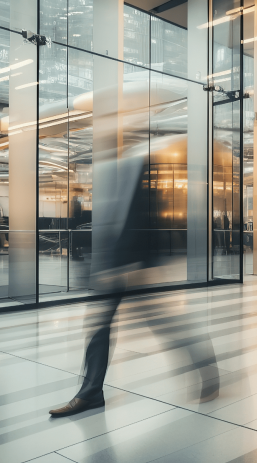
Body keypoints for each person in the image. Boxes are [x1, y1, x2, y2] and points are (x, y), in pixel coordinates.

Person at [49, 145, 219, 418]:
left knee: (164, 323)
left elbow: (143, 224)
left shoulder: (140, 174)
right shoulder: (113, 178)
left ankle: (206, 367)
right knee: (98, 328)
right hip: (112, 267)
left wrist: (131, 266)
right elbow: (106, 226)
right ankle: (91, 392)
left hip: (133, 267)